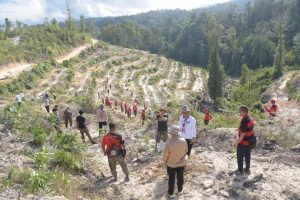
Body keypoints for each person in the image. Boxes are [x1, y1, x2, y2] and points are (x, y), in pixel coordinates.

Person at [163, 125, 188, 197]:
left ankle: (171, 193)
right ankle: (180, 190)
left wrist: (165, 162)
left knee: (171, 178)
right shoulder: (183, 141)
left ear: (171, 133)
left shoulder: (168, 143)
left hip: (171, 164)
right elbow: (186, 151)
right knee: (180, 177)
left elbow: (165, 156)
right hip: (181, 163)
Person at [234, 106, 254, 175]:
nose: (239, 113)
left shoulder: (245, 119)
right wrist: (239, 129)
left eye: (240, 111)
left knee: (240, 156)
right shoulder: (250, 118)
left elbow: (243, 134)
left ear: (243, 111)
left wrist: (236, 143)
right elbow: (248, 129)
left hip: (243, 142)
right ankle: (247, 170)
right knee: (247, 156)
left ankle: (240, 171)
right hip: (250, 141)